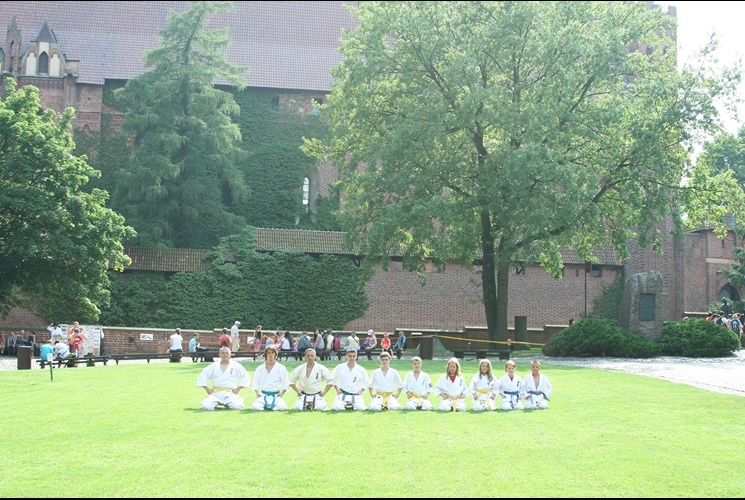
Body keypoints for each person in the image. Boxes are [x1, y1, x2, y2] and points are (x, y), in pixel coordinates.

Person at [251, 345, 289, 411]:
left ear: (275, 354)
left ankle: (270, 406)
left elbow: (285, 383)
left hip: (276, 396)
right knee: (255, 407)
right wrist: (257, 393)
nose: (270, 355)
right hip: (264, 395)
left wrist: (281, 394)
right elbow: (256, 382)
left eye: (272, 353)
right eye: (268, 353)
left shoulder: (281, 368)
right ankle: (266, 405)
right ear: (266, 354)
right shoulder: (260, 368)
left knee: (282, 407)